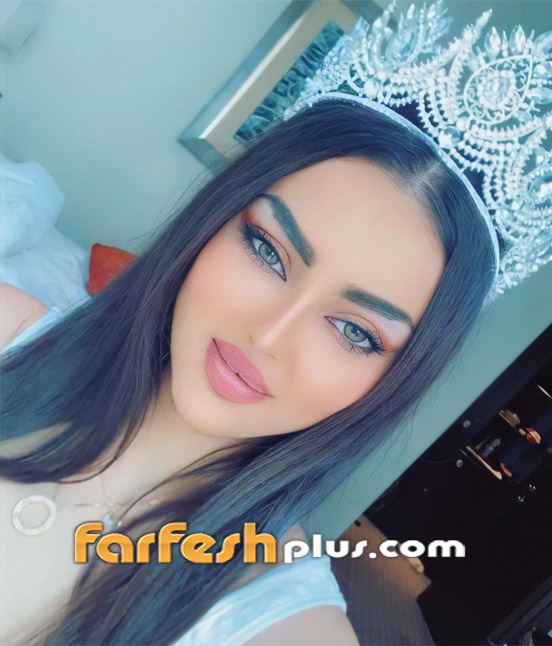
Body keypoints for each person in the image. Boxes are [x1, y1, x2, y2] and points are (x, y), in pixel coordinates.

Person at [0, 96, 497, 645]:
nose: (269, 336)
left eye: (355, 331)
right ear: (215, 219)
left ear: (394, 382)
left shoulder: (285, 627)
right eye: (268, 250)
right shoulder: (8, 327)